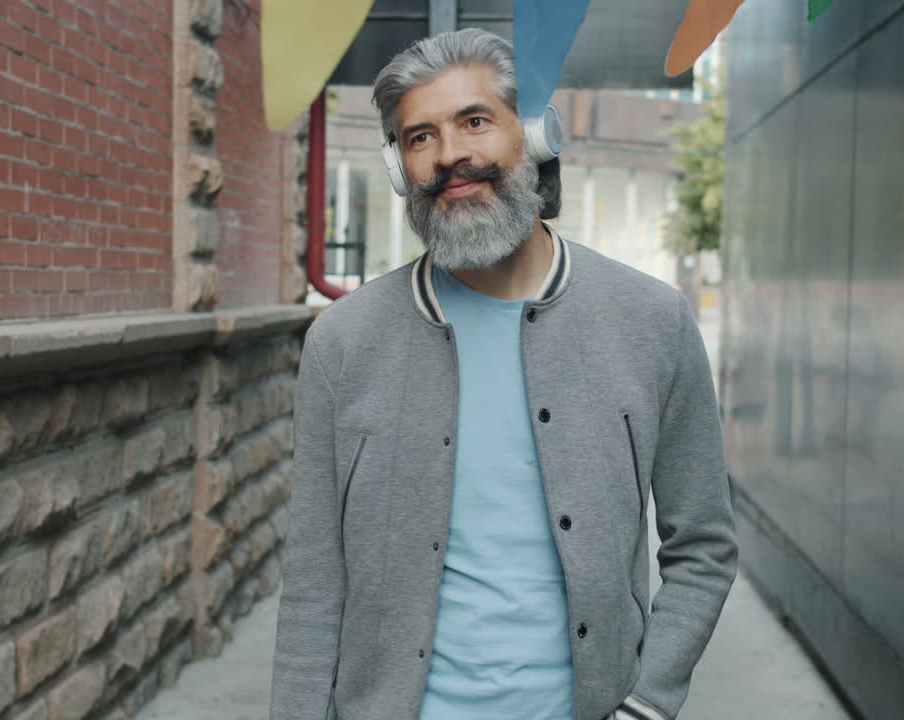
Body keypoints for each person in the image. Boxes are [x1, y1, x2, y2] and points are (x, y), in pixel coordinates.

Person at [269, 28, 737, 720]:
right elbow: (313, 577)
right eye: (420, 137)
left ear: (535, 137)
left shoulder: (652, 323)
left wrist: (647, 703)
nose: (450, 154)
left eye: (476, 121)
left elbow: (702, 546)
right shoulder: (344, 341)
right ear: (400, 168)